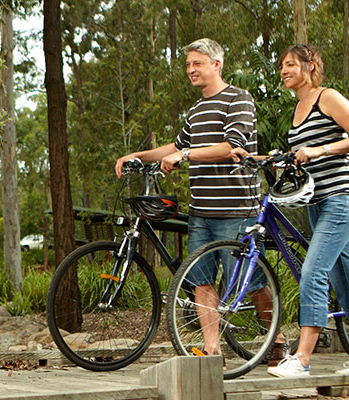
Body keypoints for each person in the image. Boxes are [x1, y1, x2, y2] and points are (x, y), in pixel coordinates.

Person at [112, 38, 281, 362]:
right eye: (188, 65)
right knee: (202, 281)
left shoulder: (239, 99)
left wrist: (185, 155)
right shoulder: (196, 111)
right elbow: (174, 147)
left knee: (252, 283)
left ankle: (276, 338)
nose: (191, 70)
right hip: (201, 212)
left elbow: (231, 147)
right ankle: (212, 349)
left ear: (216, 65)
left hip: (237, 210)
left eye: (197, 64)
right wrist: (138, 155)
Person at [262, 44, 349, 378]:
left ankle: (302, 359)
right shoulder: (298, 108)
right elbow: (301, 152)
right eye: (281, 66)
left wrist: (321, 149)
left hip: (344, 197)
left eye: (290, 64)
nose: (284, 71)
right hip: (318, 203)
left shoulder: (326, 97)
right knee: (344, 281)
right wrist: (274, 156)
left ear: (310, 66)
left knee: (313, 271)